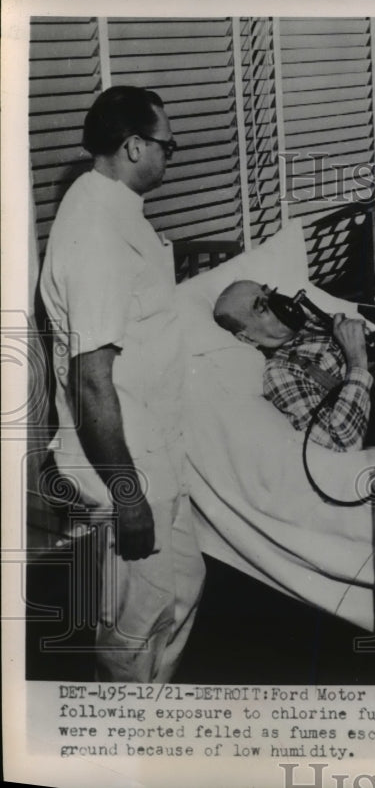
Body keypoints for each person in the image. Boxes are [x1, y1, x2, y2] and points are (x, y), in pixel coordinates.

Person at [39, 86, 205, 682]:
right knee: (138, 617)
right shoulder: (97, 235)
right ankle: (123, 749)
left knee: (180, 583)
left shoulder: (113, 210)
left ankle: (149, 725)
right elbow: (89, 381)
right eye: (168, 144)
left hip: (151, 446)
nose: (171, 155)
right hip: (122, 461)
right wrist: (129, 495)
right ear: (135, 145)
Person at [213, 281, 375, 451]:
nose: (280, 303)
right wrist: (356, 359)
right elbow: (342, 441)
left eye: (271, 293)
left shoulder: (314, 322)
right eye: (263, 307)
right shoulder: (280, 372)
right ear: (247, 338)